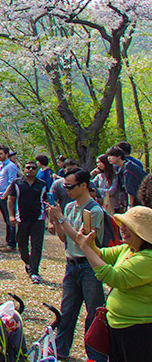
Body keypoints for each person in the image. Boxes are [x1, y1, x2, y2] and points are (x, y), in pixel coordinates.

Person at [72, 205, 152, 362]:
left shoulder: (148, 259)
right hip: (118, 324)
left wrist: (86, 248)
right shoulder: (129, 249)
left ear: (142, 233)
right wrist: (90, 243)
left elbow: (113, 277)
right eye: (122, 224)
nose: (122, 229)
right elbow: (101, 255)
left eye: (128, 226)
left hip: (138, 329)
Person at [44, 168, 108, 362]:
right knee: (68, 310)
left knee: (93, 312)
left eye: (70, 186)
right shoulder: (70, 207)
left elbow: (83, 242)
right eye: (65, 186)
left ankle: (96, 355)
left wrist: (62, 218)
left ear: (83, 185)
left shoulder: (94, 211)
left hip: (89, 266)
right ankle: (60, 350)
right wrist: (55, 219)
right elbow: (65, 238)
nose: (66, 190)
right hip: (71, 264)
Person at [7, 159, 48, 283]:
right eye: (28, 167)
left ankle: (34, 271)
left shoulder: (42, 184)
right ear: (23, 169)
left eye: (33, 168)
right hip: (22, 219)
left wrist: (51, 220)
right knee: (21, 245)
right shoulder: (17, 183)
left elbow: (47, 202)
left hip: (38, 219)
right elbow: (10, 199)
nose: (30, 170)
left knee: (36, 246)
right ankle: (28, 262)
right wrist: (11, 216)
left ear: (37, 170)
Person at [108, 146, 147, 211]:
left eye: (111, 155)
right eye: (108, 156)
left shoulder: (128, 169)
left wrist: (130, 205)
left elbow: (130, 189)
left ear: (119, 156)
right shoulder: (123, 167)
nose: (109, 158)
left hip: (142, 200)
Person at [0, 145, 19, 251]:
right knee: (5, 219)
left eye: (0, 154)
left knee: (10, 219)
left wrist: (6, 194)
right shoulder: (0, 165)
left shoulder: (11, 166)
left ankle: (11, 243)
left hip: (6, 197)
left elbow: (12, 181)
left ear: (6, 154)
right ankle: (7, 241)